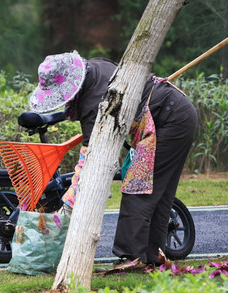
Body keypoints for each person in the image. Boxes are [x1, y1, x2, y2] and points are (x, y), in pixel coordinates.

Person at [29, 50, 198, 267]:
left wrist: (70, 201)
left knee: (139, 188)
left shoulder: (95, 102)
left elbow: (92, 159)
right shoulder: (95, 67)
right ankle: (151, 256)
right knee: (157, 193)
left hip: (170, 120)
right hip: (176, 113)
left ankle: (133, 258)